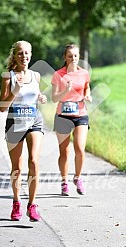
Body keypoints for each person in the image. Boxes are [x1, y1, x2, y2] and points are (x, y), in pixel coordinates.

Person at [0, 40, 47, 221]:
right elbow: (2, 107)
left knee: (34, 161)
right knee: (17, 168)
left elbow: (33, 97)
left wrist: (40, 97)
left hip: (34, 121)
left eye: (26, 53)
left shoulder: (36, 76)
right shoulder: (7, 76)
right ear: (15, 56)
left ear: (31, 55)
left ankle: (32, 205)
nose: (24, 56)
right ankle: (17, 202)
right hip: (14, 124)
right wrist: (15, 90)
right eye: (20, 53)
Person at [51, 44, 92, 196]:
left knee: (80, 148)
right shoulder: (58, 75)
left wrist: (87, 95)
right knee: (64, 152)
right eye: (70, 56)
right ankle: (64, 182)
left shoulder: (84, 73)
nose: (73, 59)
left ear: (79, 56)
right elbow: (54, 98)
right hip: (63, 115)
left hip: (80, 114)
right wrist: (66, 91)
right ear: (65, 58)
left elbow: (86, 87)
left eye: (75, 56)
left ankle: (78, 178)